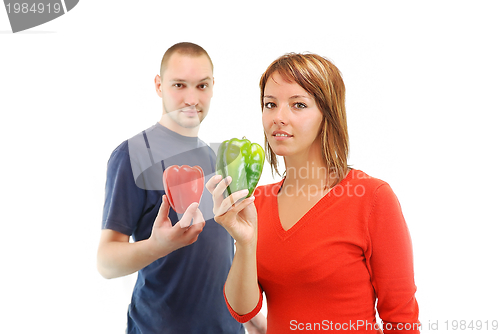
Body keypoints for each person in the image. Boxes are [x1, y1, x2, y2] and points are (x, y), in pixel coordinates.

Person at [206, 53, 420, 333]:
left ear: (327, 115)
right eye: (270, 104)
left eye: (298, 105)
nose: (278, 117)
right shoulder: (256, 202)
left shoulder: (371, 197)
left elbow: (401, 320)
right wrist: (244, 242)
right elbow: (243, 309)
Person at [97, 42, 264, 334]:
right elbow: (106, 262)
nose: (191, 98)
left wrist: (252, 320)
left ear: (213, 87)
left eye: (201, 86)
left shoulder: (217, 158)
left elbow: (220, 255)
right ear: (159, 86)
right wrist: (157, 246)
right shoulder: (133, 155)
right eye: (179, 85)